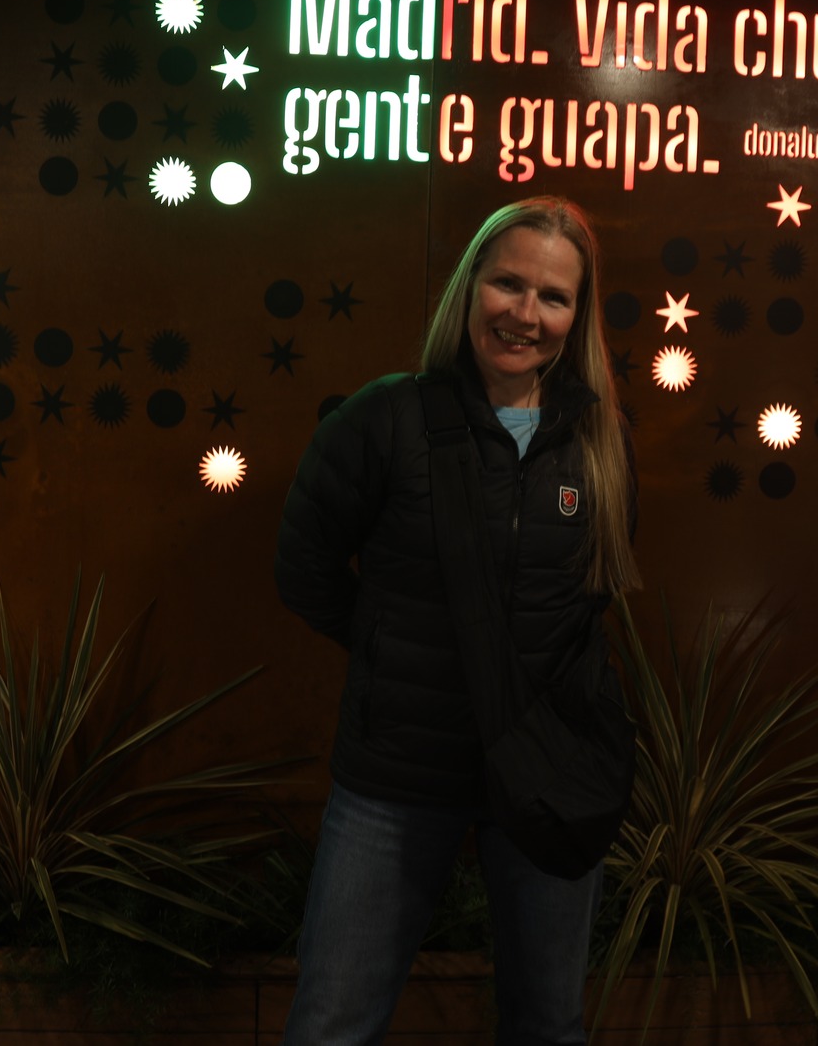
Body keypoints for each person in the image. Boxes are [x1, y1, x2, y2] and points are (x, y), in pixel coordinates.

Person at [274, 196, 640, 1046]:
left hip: (547, 774)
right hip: (398, 776)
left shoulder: (601, 441)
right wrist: (396, 650)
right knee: (331, 1028)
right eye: (508, 283)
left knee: (549, 1027)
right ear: (470, 286)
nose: (525, 313)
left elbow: (587, 603)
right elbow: (305, 570)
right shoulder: (385, 419)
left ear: (577, 315)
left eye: (553, 296)